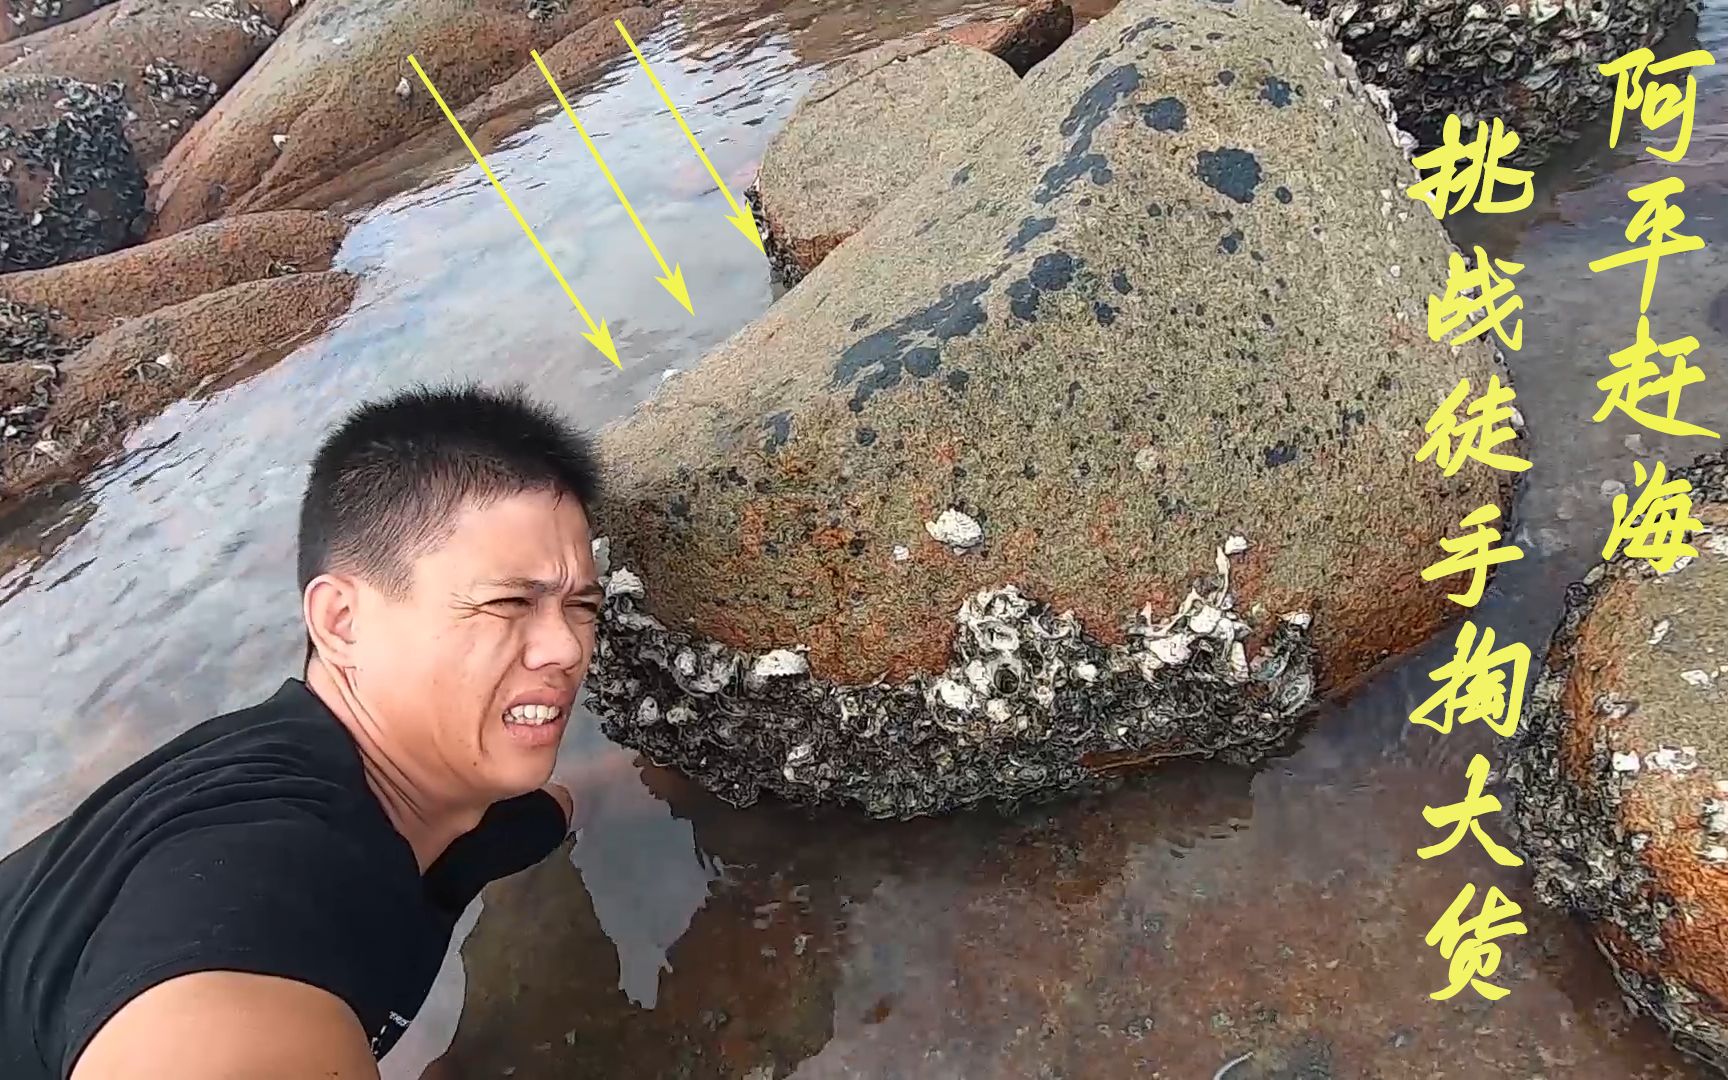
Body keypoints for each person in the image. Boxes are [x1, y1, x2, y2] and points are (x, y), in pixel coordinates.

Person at [0, 383, 620, 1079]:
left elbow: (563, 807)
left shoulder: (443, 802)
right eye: (509, 602)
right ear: (341, 623)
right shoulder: (262, 866)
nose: (567, 648)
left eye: (582, 606)